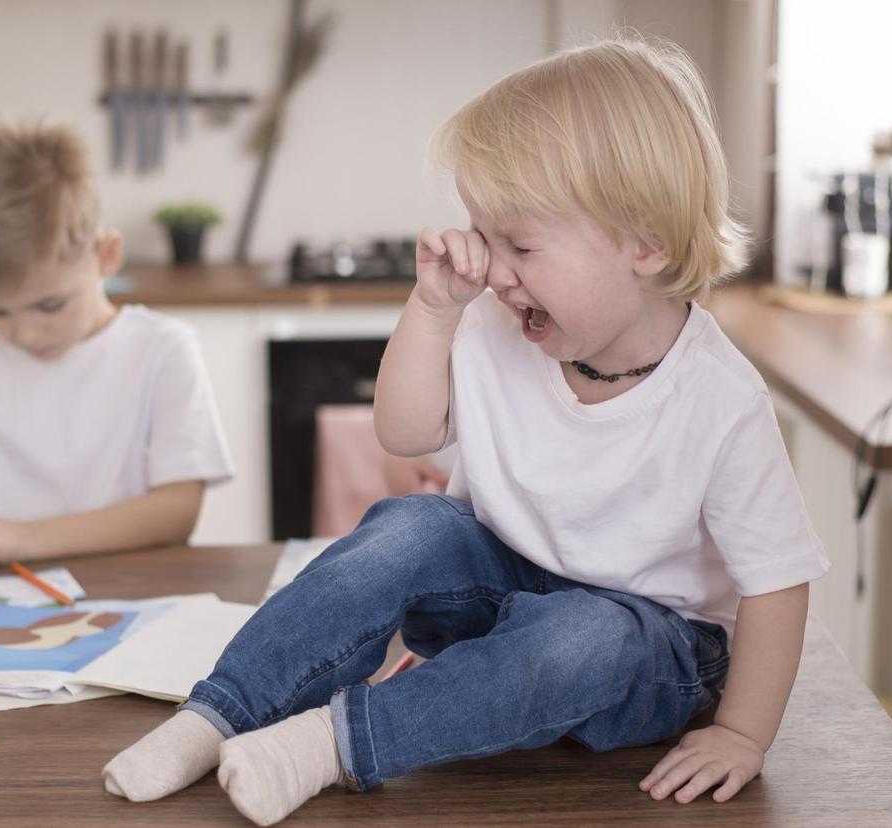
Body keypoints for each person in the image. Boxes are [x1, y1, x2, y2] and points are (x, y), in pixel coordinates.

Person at [103, 35, 829, 825]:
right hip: (501, 590)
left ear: (645, 244)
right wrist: (434, 311)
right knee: (412, 523)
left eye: (521, 244)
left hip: (651, 650)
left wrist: (742, 734)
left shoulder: (722, 400)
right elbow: (403, 434)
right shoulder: (493, 323)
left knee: (587, 634)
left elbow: (777, 584)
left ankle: (331, 744)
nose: (497, 269)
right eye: (487, 236)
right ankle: (221, 715)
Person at [0, 122, 233, 566]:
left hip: (134, 598)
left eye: (49, 305)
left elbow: (176, 512)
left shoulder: (162, 350)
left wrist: (18, 537)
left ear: (106, 255)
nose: (22, 333)